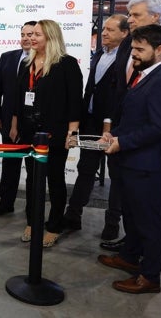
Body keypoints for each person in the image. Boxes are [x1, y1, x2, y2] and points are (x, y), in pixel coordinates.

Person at [100, 0, 161, 252]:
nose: (129, 19)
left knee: (153, 198)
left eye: (136, 15)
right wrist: (112, 129)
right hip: (124, 131)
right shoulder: (126, 45)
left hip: (155, 137)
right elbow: (119, 89)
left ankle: (155, 252)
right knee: (127, 192)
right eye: (129, 15)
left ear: (155, 17)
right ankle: (132, 244)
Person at [97, 24, 161, 294]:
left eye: (140, 49)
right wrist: (113, 136)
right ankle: (130, 257)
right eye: (133, 48)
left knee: (149, 223)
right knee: (132, 217)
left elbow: (160, 127)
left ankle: (150, 277)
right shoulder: (145, 75)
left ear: (159, 50)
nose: (134, 54)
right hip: (132, 163)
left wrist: (122, 142)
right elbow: (133, 118)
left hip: (147, 166)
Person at [9, 19, 82, 248]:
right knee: (32, 179)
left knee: (55, 180)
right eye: (30, 35)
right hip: (30, 133)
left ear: (50, 37)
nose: (31, 38)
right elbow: (20, 99)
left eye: (37, 35)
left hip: (56, 134)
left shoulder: (66, 64)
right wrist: (15, 125)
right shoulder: (26, 64)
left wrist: (72, 132)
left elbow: (75, 103)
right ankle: (33, 221)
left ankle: (54, 226)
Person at [63, 15, 129, 233]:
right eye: (103, 29)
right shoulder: (99, 54)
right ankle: (73, 216)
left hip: (115, 126)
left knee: (117, 175)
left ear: (124, 33)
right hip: (91, 121)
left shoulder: (128, 58)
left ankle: (112, 224)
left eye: (110, 30)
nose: (104, 33)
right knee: (86, 169)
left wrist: (112, 125)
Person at [0, 21, 36, 216]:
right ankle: (5, 203)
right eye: (23, 34)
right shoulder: (7, 57)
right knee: (9, 165)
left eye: (30, 34)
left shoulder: (46, 59)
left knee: (33, 168)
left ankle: (32, 209)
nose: (26, 38)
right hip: (8, 121)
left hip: (33, 123)